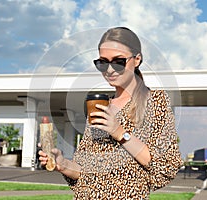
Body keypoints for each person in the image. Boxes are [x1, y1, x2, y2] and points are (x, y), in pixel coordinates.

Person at [39, 27, 183, 199]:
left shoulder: (155, 101)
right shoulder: (100, 106)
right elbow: (84, 169)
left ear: (137, 59)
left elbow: (164, 165)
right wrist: (62, 164)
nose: (109, 70)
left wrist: (119, 132)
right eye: (102, 62)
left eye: (118, 62)